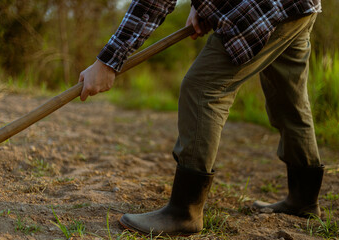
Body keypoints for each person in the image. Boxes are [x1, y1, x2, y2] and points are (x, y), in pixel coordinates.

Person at [79, 0, 325, 236]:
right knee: (288, 98)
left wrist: (108, 62)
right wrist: (202, 6)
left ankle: (184, 212)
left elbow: (152, 3)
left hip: (263, 7)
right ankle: (304, 199)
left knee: (203, 89)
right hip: (299, 5)